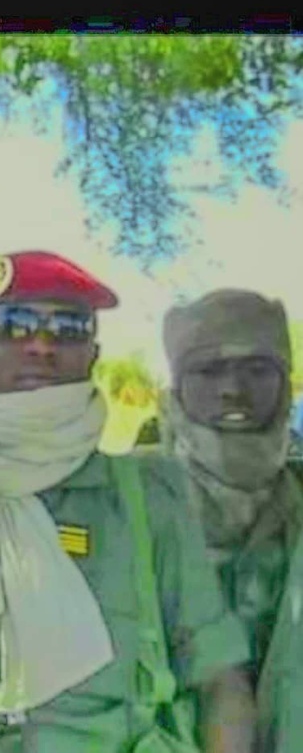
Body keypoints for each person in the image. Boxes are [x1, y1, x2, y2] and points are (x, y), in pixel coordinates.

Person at [0, 250, 255, 752]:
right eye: (12, 324)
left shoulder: (148, 498)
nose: (41, 344)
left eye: (68, 328)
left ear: (93, 353)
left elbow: (221, 680)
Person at [161, 289, 303, 752]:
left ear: (287, 384)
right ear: (176, 391)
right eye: (208, 370)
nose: (233, 389)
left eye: (258, 369)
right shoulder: (133, 505)